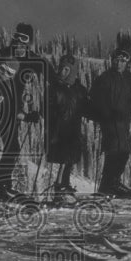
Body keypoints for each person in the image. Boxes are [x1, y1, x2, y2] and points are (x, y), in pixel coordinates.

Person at [0, 22, 45, 199]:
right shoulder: (3, 55)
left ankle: (2, 184)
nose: (20, 47)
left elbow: (46, 70)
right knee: (12, 147)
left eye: (25, 44)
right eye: (18, 43)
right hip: (0, 107)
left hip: (13, 109)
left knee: (12, 147)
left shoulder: (30, 58)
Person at [90, 48, 131, 198]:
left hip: (123, 121)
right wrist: (107, 113)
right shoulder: (105, 78)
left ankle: (113, 183)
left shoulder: (129, 78)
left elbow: (129, 98)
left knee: (124, 151)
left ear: (127, 63)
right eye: (116, 60)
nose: (118, 63)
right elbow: (95, 98)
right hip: (110, 121)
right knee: (113, 151)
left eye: (122, 61)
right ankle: (106, 185)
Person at [46, 54, 91, 196]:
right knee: (64, 158)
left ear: (72, 71)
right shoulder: (55, 88)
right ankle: (59, 187)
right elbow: (45, 109)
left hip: (74, 130)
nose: (61, 72)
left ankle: (64, 184)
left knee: (70, 158)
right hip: (59, 130)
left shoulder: (80, 90)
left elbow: (87, 109)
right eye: (61, 69)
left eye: (66, 70)